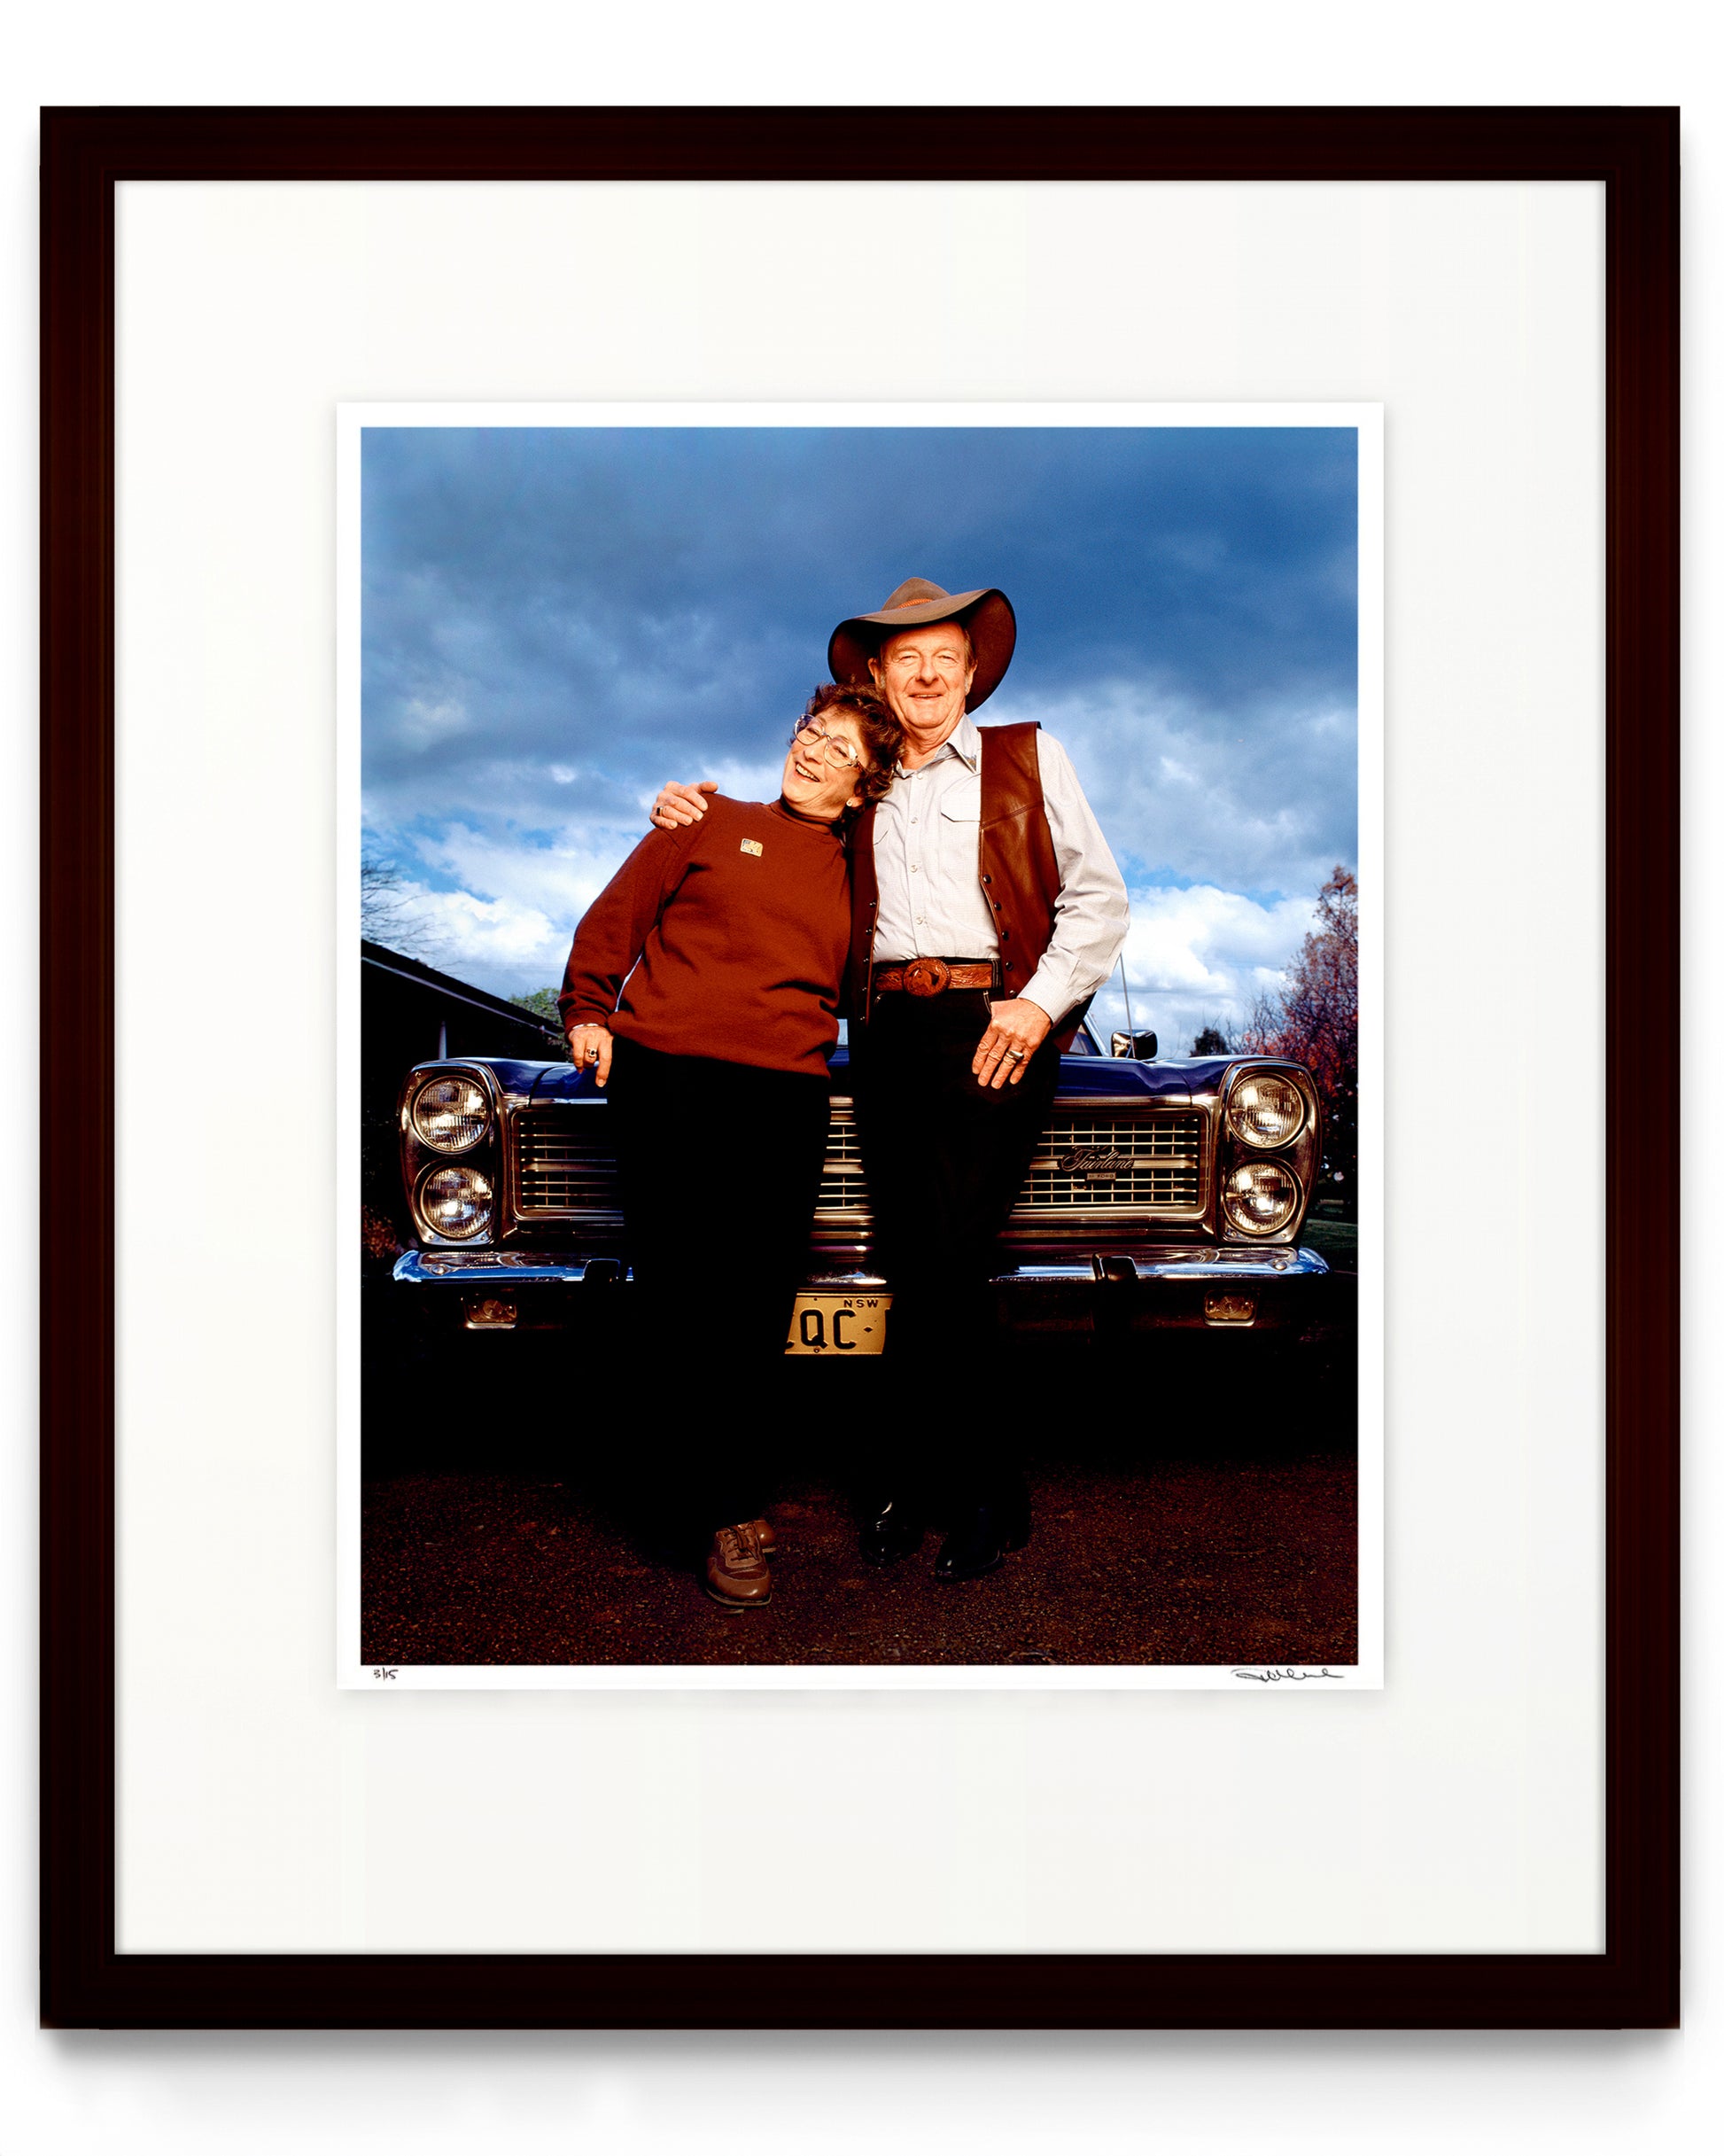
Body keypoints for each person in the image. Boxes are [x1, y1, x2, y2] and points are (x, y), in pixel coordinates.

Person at [651, 578, 1129, 1581]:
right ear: (875, 674)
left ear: (968, 675)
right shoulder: (857, 786)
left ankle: (987, 1493)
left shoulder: (1025, 757)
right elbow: (775, 839)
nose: (923, 673)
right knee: (911, 1264)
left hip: (994, 1017)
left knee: (952, 1258)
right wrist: (684, 810)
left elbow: (1096, 900)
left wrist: (1037, 1005)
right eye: (903, 657)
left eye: (942, 657)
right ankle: (912, 1484)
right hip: (885, 1032)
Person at [560, 681, 902, 1609]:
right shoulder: (703, 820)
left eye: (841, 751)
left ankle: (723, 1490)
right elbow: (615, 917)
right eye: (810, 733)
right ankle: (727, 1514)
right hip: (666, 1076)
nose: (814, 754)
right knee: (680, 1297)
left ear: (866, 785)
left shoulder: (863, 876)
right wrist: (588, 1007)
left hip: (784, 1094)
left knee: (753, 1307)